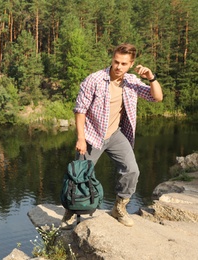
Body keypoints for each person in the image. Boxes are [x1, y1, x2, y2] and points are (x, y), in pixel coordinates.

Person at [61, 43, 163, 228]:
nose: (118, 67)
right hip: (92, 136)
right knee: (79, 177)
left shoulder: (131, 81)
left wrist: (151, 78)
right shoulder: (94, 80)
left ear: (131, 64)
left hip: (116, 134)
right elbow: (80, 110)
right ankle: (70, 212)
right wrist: (81, 138)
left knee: (132, 170)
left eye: (124, 64)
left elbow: (157, 97)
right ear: (112, 59)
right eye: (116, 62)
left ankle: (119, 207)